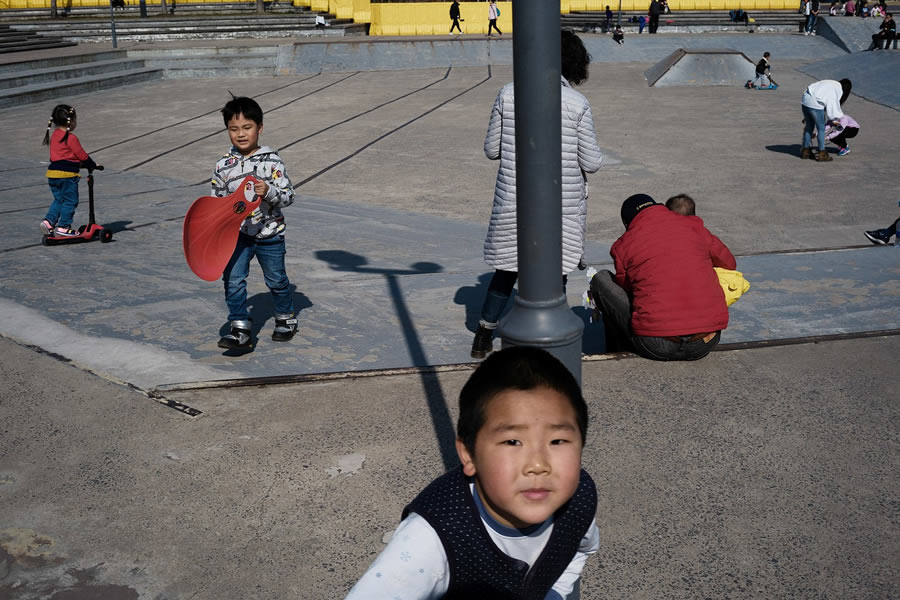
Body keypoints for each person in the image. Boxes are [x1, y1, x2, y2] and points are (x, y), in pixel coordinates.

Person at [345, 346, 600, 599]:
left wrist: (554, 593)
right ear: (468, 454)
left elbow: (579, 548)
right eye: (512, 442)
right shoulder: (434, 537)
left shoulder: (578, 501)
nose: (538, 464)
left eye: (557, 441)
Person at [471, 30, 603, 359]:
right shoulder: (577, 103)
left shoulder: (507, 94)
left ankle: (484, 336)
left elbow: (491, 150)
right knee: (555, 269)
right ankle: (550, 334)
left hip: (515, 199)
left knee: (506, 270)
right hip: (562, 203)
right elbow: (592, 162)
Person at [589, 194, 736, 361]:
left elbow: (627, 288)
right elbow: (729, 263)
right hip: (705, 342)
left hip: (655, 344)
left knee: (600, 279)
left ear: (627, 223)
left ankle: (618, 349)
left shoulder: (623, 245)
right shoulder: (693, 226)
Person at [212, 96, 299, 350]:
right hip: (237, 235)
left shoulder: (272, 161)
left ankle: (286, 317)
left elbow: (288, 196)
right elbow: (216, 201)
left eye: (247, 127)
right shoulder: (223, 165)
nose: (240, 134)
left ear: (259, 128)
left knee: (276, 279)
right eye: (233, 129)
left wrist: (268, 190)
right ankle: (240, 326)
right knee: (233, 279)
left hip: (269, 233)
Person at [40, 104, 101, 238]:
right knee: (70, 201)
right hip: (67, 176)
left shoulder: (55, 135)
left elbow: (62, 156)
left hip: (52, 174)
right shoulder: (70, 137)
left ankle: (48, 222)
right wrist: (92, 164)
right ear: (71, 121)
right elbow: (82, 155)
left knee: (59, 199)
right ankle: (64, 227)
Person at [800, 78, 852, 162]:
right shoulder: (838, 90)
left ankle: (805, 151)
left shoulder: (831, 83)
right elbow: (832, 106)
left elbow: (822, 98)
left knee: (809, 127)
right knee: (821, 129)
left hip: (805, 98)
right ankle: (822, 154)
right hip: (814, 103)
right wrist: (835, 119)